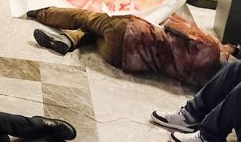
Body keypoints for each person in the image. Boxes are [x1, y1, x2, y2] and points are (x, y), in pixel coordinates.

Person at [30, 8, 230, 86]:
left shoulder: (210, 46)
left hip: (128, 31)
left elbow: (171, 22)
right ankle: (69, 39)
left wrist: (218, 43)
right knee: (93, 33)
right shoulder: (202, 81)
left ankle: (41, 12)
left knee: (84, 17)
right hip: (121, 58)